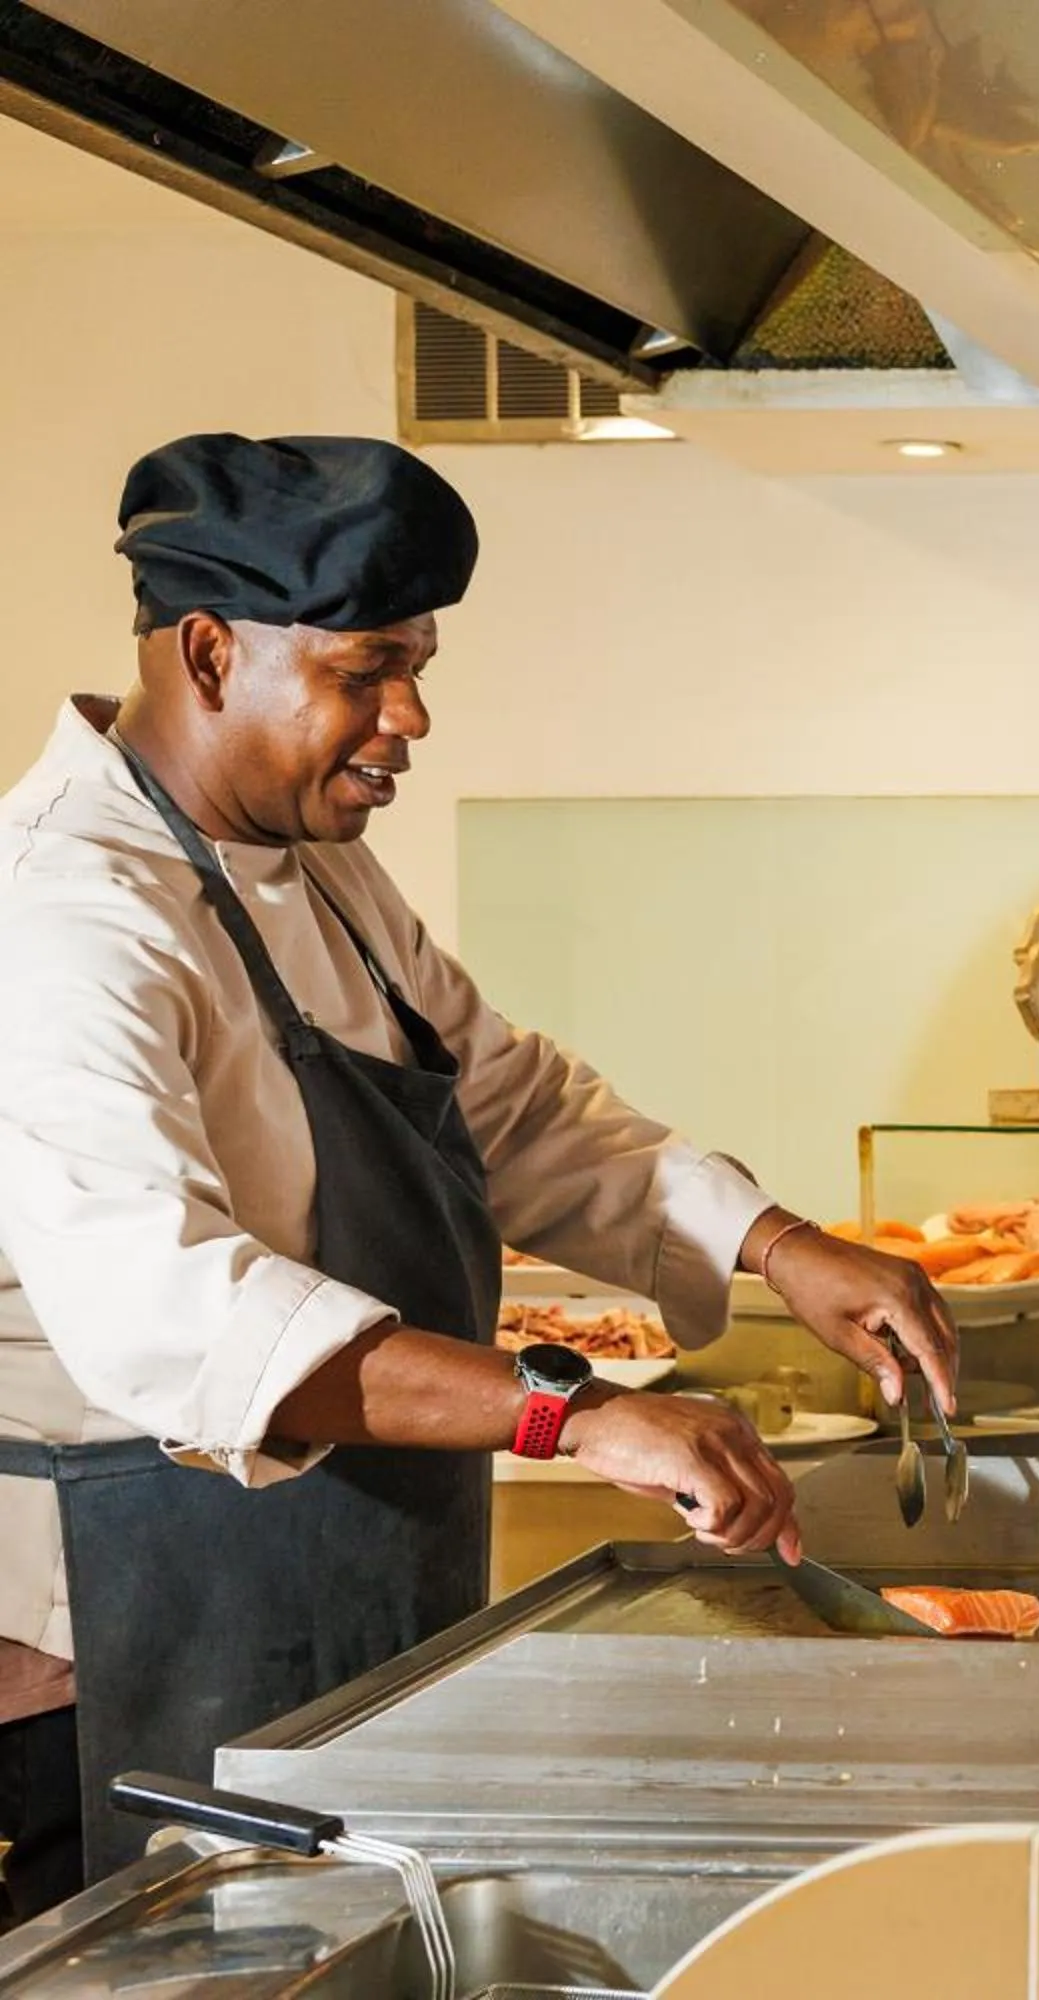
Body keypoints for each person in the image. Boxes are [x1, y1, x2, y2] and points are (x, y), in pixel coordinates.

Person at [0, 434, 964, 1921]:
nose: (412, 717)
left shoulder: (315, 865)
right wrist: (572, 1414)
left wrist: (775, 1243)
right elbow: (171, 1310)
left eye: (418, 667)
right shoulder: (67, 909)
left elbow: (505, 1107)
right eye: (368, 671)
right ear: (207, 652)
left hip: (349, 1564)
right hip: (119, 1629)